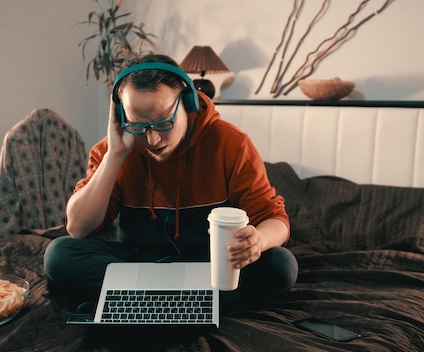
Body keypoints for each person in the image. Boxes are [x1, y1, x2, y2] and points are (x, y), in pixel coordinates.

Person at [43, 54, 298, 311]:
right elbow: (78, 229)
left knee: (281, 265)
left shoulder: (232, 144)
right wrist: (116, 156)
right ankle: (192, 302)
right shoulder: (114, 149)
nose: (152, 139)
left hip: (211, 267)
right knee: (59, 255)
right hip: (140, 263)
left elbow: (276, 220)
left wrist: (258, 241)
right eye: (138, 125)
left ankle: (141, 300)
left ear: (189, 102)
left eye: (163, 122)